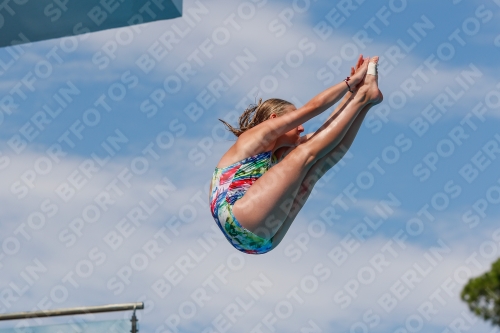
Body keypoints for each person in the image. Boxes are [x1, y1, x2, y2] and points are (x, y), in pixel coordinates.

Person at [209, 55, 383, 255]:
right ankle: (363, 96)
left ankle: (365, 101)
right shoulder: (254, 137)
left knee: (319, 164)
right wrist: (350, 83)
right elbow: (312, 108)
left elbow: (326, 134)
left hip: (260, 239)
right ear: (274, 120)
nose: (300, 128)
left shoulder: (274, 159)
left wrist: (350, 97)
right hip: (239, 218)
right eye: (294, 122)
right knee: (305, 154)